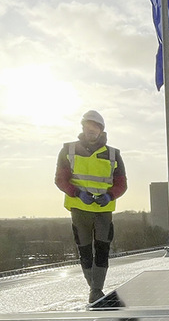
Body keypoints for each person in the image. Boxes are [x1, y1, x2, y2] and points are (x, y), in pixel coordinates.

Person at [54, 110, 127, 303]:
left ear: (101, 130)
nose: (91, 131)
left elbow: (121, 183)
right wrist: (77, 193)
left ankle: (96, 289)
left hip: (103, 210)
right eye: (88, 127)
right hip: (80, 208)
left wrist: (110, 195)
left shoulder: (113, 154)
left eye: (95, 127)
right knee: (85, 249)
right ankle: (94, 289)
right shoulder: (68, 150)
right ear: (83, 128)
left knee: (102, 248)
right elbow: (60, 180)